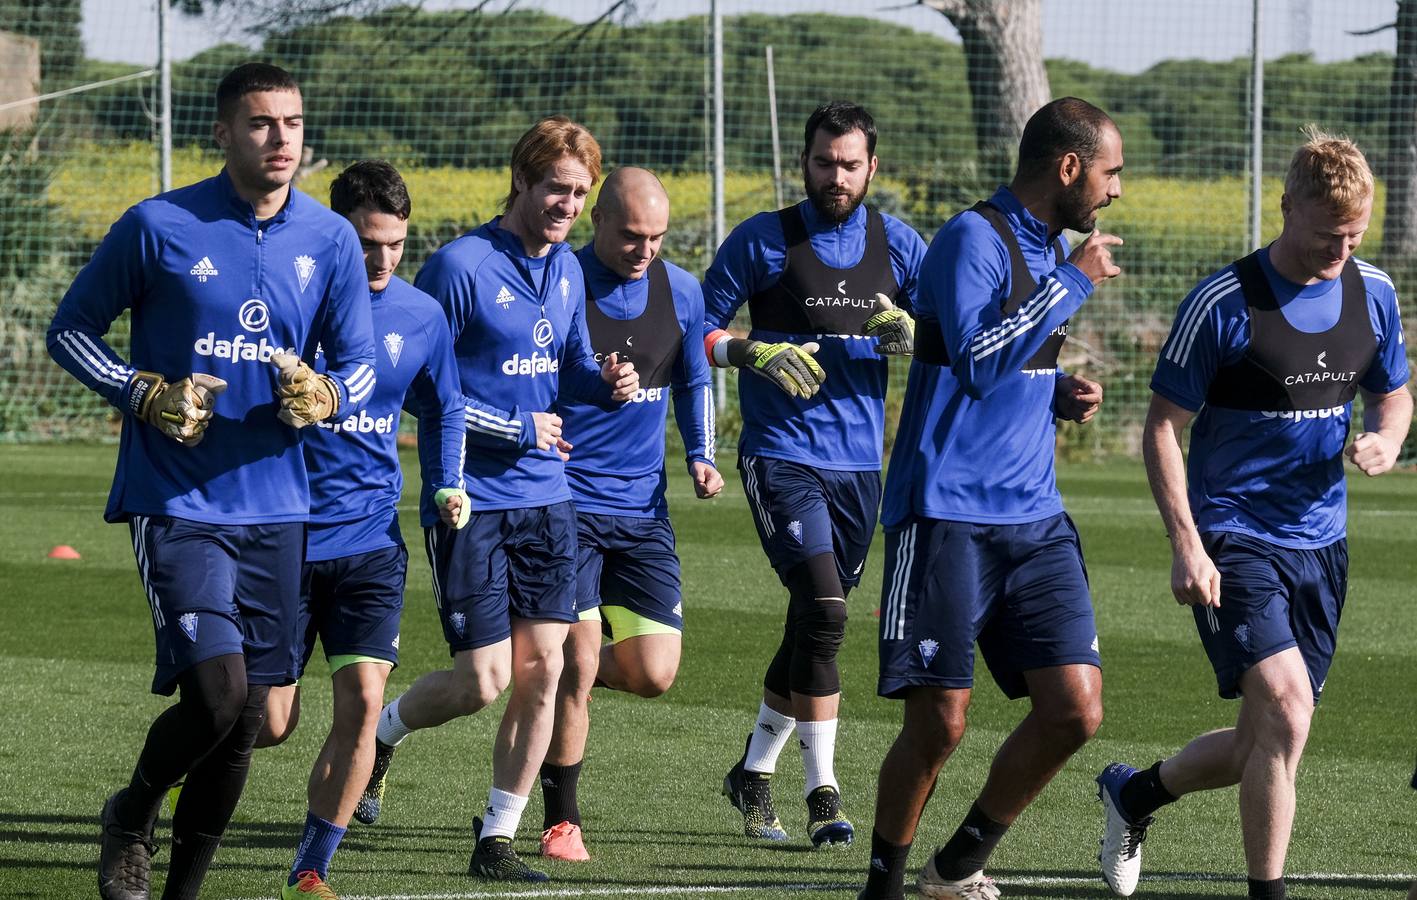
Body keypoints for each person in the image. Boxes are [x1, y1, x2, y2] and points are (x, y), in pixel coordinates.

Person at [46, 62, 376, 900]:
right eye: (261, 123)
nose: (281, 139)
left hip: (279, 505)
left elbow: (363, 363)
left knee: (248, 724)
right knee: (218, 693)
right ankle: (131, 812)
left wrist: (328, 394)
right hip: (177, 499)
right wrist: (145, 392)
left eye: (293, 123)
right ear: (223, 132)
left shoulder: (329, 239)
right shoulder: (157, 224)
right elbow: (71, 331)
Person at [1096, 128, 1411, 900]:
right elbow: (1162, 426)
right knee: (1285, 705)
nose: (1341, 249)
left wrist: (1386, 439)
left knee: (1267, 737)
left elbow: (1392, 392)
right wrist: (1185, 544)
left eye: (1354, 234)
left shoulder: (1371, 292)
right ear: (1286, 208)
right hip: (1233, 536)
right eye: (1327, 234)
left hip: (1321, 544)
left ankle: (1133, 793)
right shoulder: (1222, 302)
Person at [361, 116, 639, 884]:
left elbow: (570, 368)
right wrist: (515, 427)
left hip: (549, 499)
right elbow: (424, 395)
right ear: (520, 178)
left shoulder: (571, 270)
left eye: (580, 193)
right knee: (481, 681)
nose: (567, 205)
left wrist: (605, 382)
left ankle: (498, 838)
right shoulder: (460, 267)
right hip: (470, 500)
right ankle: (383, 733)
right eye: (556, 187)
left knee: (546, 668)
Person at [859, 97, 1124, 900]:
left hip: (1034, 518)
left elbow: (1001, 368)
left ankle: (957, 865)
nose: (1116, 192)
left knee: (1075, 712)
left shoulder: (1047, 245)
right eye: (1109, 173)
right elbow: (973, 358)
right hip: (946, 517)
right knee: (938, 724)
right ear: (1068, 167)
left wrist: (1053, 393)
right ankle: (883, 886)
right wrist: (1073, 283)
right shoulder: (973, 237)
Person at [248, 160, 478, 900]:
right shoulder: (288, 299)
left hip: (371, 541)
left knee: (363, 705)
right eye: (367, 242)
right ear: (336, 235)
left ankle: (311, 868)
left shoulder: (420, 314)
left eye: (395, 244)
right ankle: (185, 777)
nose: (382, 259)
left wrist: (446, 481)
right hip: (281, 536)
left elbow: (444, 406)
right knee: (267, 720)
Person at [702, 100, 925, 848]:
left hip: (861, 468)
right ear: (804, 161)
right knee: (827, 610)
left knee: (812, 620)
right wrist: (747, 350)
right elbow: (690, 323)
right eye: (824, 162)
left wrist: (916, 333)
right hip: (780, 454)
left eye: (850, 164)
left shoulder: (899, 244)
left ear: (872, 167)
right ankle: (822, 794)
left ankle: (749, 773)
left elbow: (953, 336)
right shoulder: (762, 239)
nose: (836, 176)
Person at [536, 166, 723, 862]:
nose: (645, 250)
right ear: (597, 222)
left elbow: (693, 376)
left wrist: (700, 453)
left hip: (642, 511)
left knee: (651, 673)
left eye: (657, 237)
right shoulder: (557, 280)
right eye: (631, 236)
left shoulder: (680, 288)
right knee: (581, 659)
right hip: (565, 503)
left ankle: (549, 674)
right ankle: (562, 821)